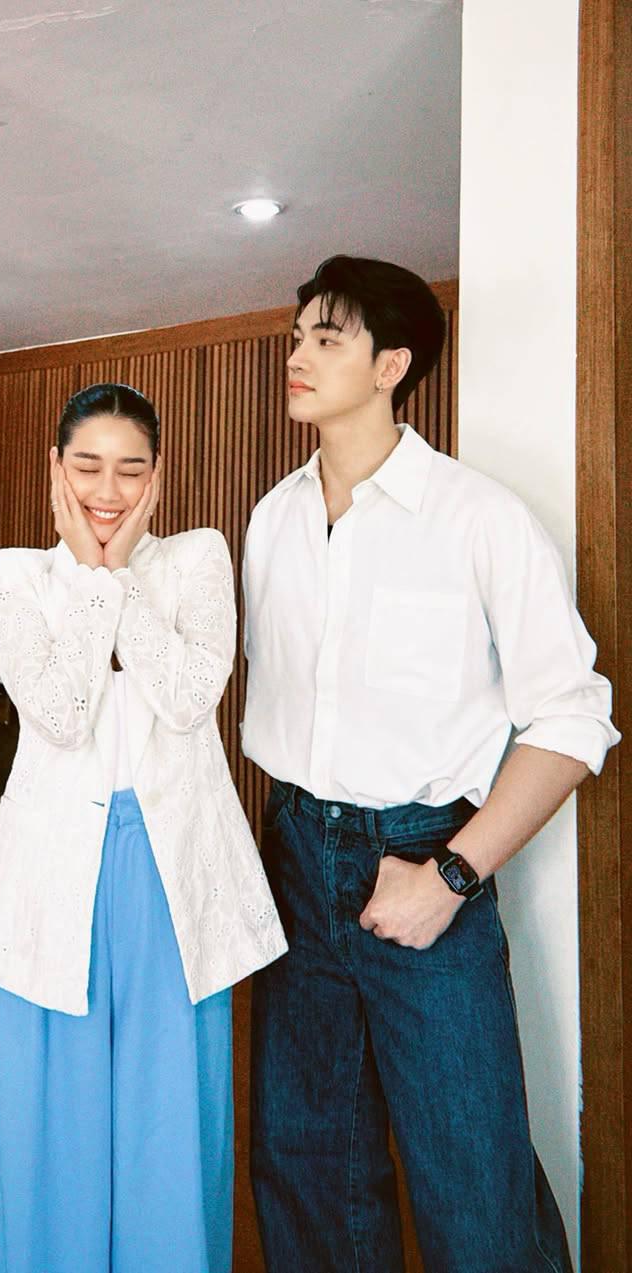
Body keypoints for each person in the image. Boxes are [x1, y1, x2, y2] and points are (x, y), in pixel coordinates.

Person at [242, 255, 620, 1272]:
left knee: (473, 1182)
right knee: (304, 1165)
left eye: (328, 338)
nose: (299, 355)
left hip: (423, 856)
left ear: (392, 365)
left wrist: (452, 874)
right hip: (292, 852)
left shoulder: (478, 517)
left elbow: (573, 717)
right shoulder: (274, 519)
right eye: (297, 336)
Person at [0, 382, 286, 1273]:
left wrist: (113, 577)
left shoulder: (199, 557)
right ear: (55, 469)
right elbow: (60, 715)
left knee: (169, 1127)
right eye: (87, 467)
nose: (107, 491)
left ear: (158, 475)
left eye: (130, 469)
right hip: (46, 876)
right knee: (45, 1132)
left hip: (171, 873)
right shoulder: (15, 572)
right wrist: (87, 574)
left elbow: (188, 700)